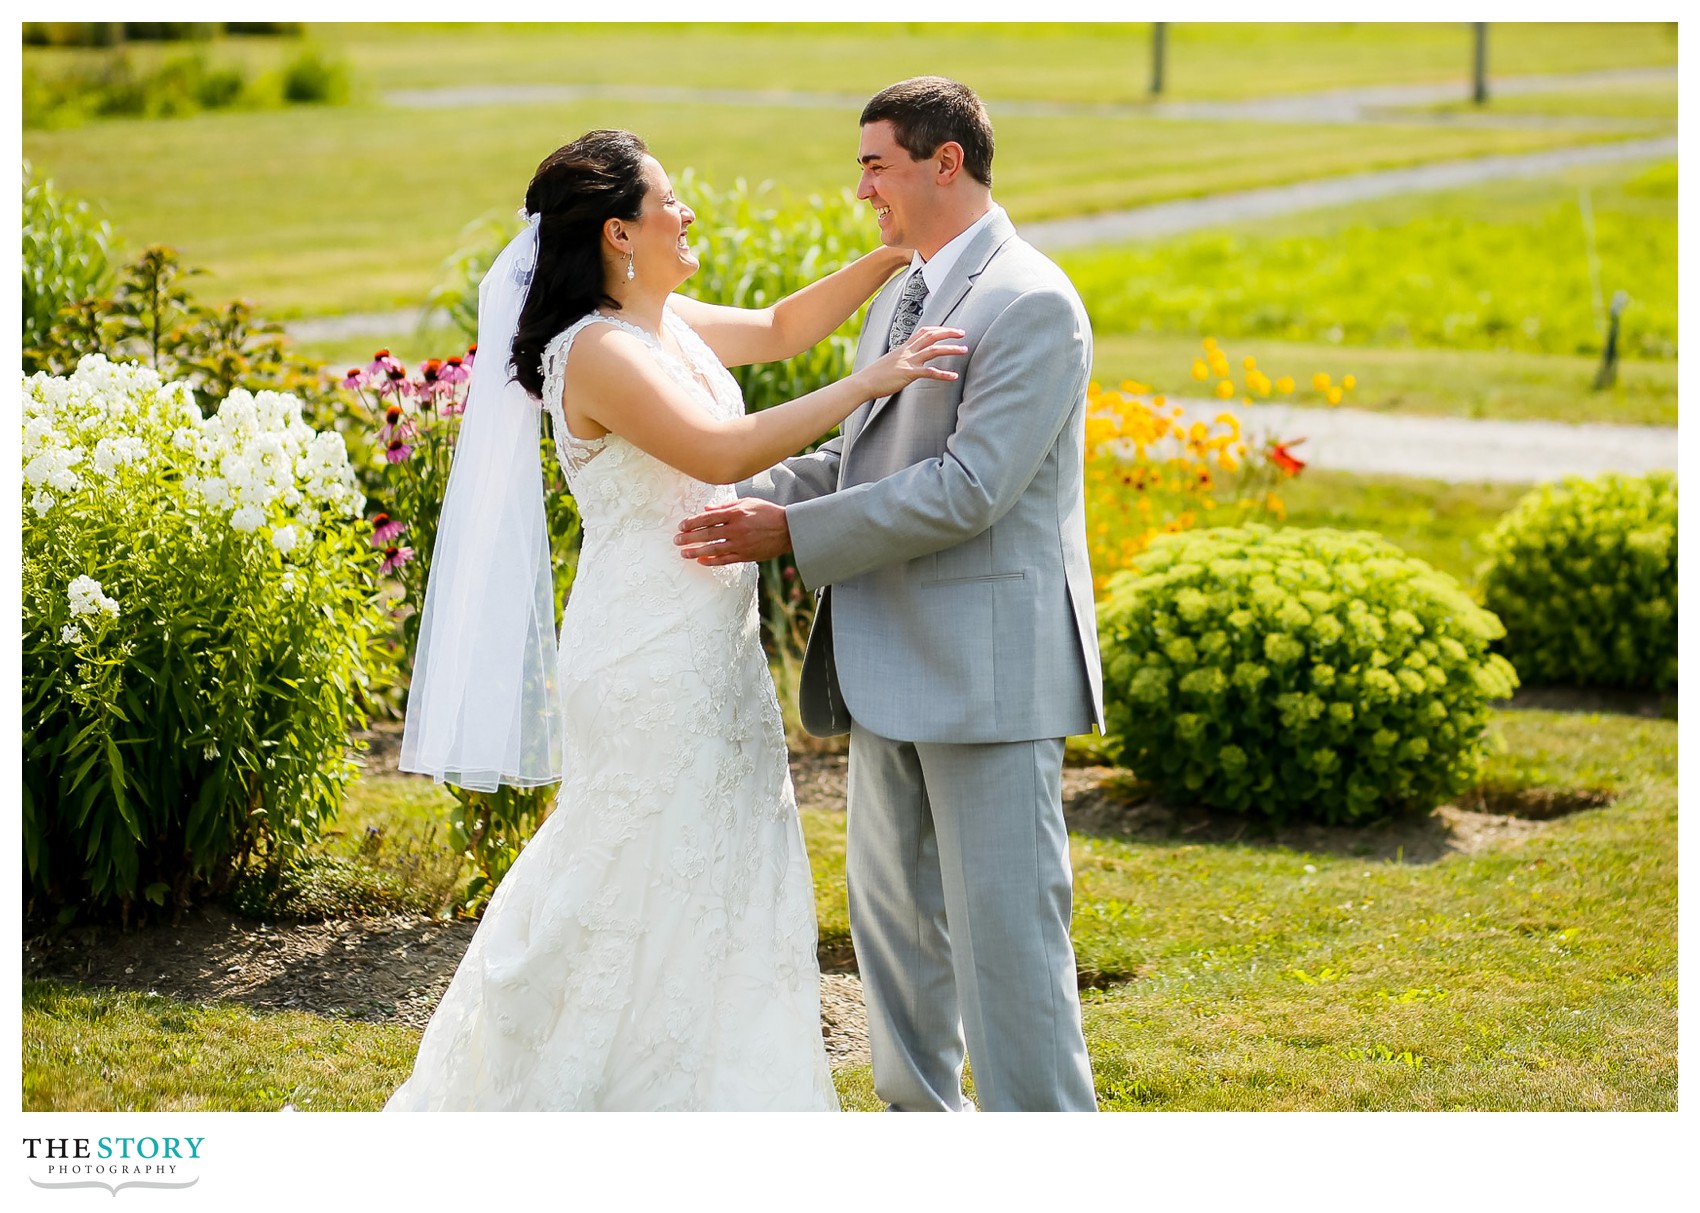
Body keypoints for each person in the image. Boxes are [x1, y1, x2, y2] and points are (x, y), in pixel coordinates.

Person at [385, 128, 965, 1111]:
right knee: (628, 871)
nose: (684, 211)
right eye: (667, 199)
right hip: (647, 654)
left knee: (724, 872)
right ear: (618, 231)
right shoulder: (597, 351)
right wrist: (871, 381)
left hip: (711, 649)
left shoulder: (656, 321)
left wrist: (896, 253)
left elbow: (782, 327)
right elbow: (722, 447)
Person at [675, 77, 1104, 1112]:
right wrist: (730, 492)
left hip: (987, 680)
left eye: (875, 163)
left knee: (1009, 949)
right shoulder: (905, 293)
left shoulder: (1030, 300)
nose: (860, 185)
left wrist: (791, 533)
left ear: (943, 162)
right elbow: (863, 457)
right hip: (885, 666)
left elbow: (969, 488)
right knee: (896, 937)